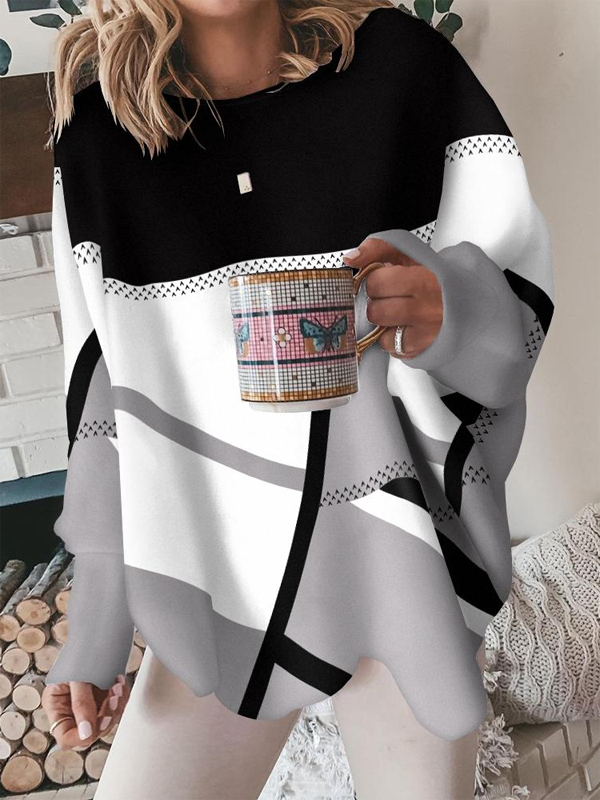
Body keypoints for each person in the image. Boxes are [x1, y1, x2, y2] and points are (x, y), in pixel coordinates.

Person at [40, 0, 554, 797]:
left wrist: (449, 309)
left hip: (403, 562)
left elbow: (518, 308)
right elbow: (103, 405)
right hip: (223, 583)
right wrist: (97, 626)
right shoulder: (100, 136)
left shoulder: (403, 68)